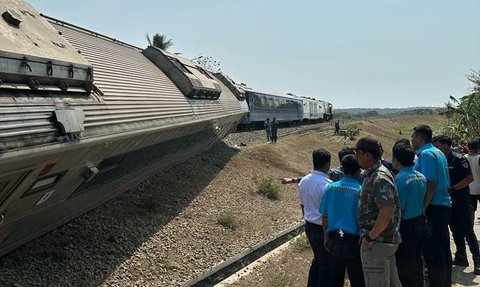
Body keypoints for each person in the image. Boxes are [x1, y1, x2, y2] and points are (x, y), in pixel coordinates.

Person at [355, 137, 402, 287]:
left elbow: (386, 213)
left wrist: (370, 237)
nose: (356, 156)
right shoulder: (375, 174)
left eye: (358, 153)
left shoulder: (379, 177)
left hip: (378, 243)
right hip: (382, 240)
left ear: (368, 155)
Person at [411, 125, 452, 287]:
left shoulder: (426, 155)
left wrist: (423, 208)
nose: (412, 140)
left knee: (433, 250)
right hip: (442, 205)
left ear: (420, 138)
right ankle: (444, 282)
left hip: (433, 207)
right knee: (442, 249)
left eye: (413, 137)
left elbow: (431, 183)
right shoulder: (438, 152)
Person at [432, 135, 480, 274]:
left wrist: (454, 188)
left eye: (437, 145)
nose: (436, 148)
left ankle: (477, 259)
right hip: (448, 202)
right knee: (455, 230)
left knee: (467, 230)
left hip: (461, 200)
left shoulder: (459, 159)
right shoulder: (441, 160)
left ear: (445, 145)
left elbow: (469, 178)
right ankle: (461, 256)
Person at [321, 154, 365, 287]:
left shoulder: (330, 188)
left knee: (335, 277)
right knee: (357, 278)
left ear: (341, 168)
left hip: (334, 237)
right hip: (354, 241)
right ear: (359, 171)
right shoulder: (361, 191)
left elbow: (324, 216)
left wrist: (326, 235)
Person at [392, 143, 430, 287]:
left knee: (404, 264)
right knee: (417, 260)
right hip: (420, 222)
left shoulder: (400, 179)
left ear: (396, 160)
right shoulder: (421, 176)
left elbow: (398, 207)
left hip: (406, 226)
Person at [299, 148, 333, 286]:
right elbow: (329, 212)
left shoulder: (304, 181)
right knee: (327, 264)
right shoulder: (327, 185)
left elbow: (302, 205)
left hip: (309, 226)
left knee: (318, 260)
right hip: (323, 229)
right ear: (328, 164)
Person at [465, 140, 480, 220]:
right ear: (478, 147)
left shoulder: (463, 158)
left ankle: (470, 227)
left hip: (469, 187)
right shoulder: (479, 158)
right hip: (478, 187)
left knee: (471, 210)